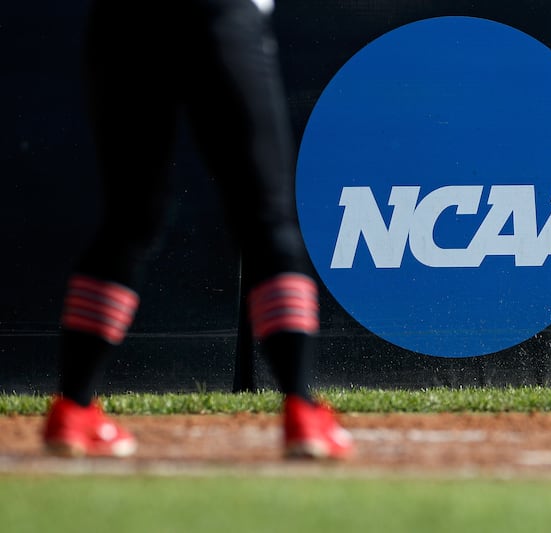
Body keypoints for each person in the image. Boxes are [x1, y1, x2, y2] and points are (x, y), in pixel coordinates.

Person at [42, 0, 353, 460]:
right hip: (216, 13)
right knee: (266, 219)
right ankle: (303, 410)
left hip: (122, 21)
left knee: (129, 221)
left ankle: (72, 408)